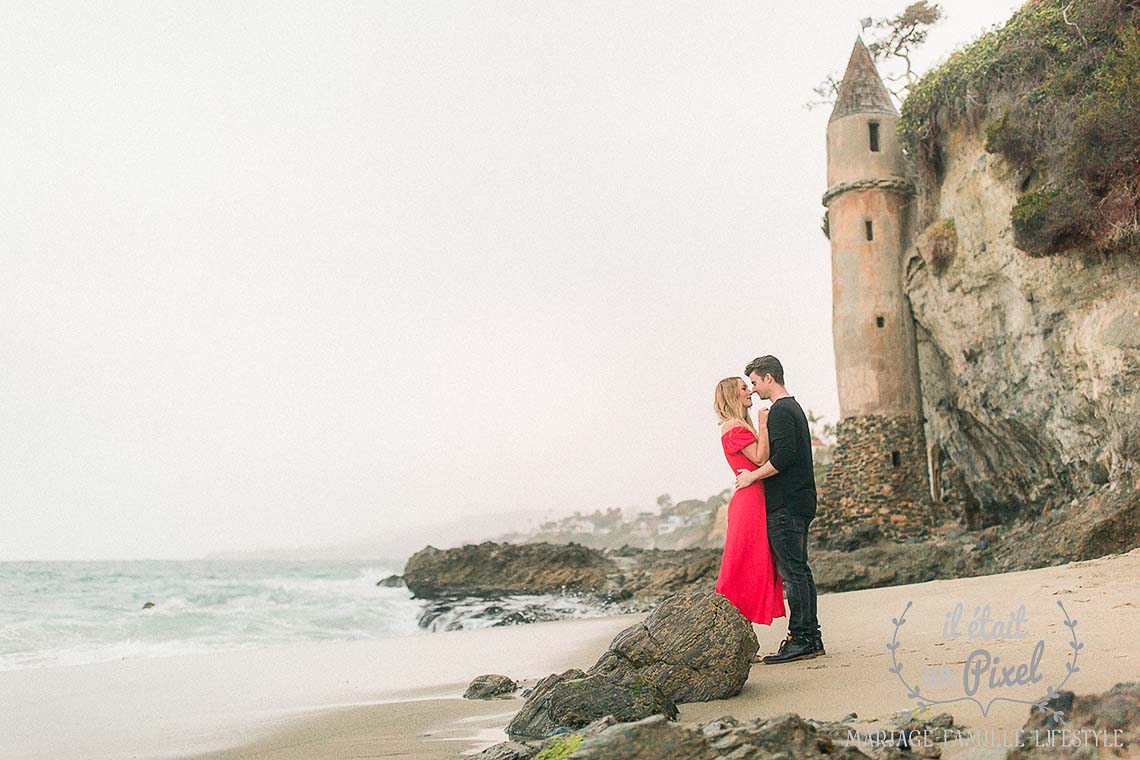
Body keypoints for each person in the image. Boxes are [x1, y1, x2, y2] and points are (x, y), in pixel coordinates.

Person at [735, 355, 823, 664]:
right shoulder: (792, 408)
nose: (754, 389)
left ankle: (802, 638)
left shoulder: (782, 411)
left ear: (769, 378)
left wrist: (751, 477)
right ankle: (809, 637)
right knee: (800, 571)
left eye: (756, 382)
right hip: (798, 501)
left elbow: (783, 457)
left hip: (786, 504)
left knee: (794, 573)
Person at [712, 377, 786, 660]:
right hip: (749, 502)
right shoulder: (733, 427)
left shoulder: (738, 426)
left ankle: (738, 643)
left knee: (751, 568)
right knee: (743, 569)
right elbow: (758, 456)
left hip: (754, 500)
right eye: (744, 388)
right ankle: (732, 642)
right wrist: (764, 424)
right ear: (732, 395)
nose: (750, 391)